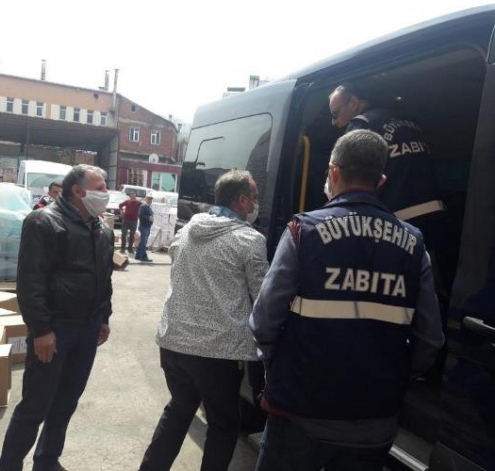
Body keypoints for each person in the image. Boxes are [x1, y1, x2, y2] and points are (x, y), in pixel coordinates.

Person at [249, 130, 444, 471]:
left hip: (299, 413)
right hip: (373, 421)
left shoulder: (303, 231)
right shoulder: (415, 245)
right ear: (381, 180)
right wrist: (391, 373)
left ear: (333, 172)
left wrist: (279, 367)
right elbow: (430, 341)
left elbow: (264, 321)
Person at [138, 170, 269, 471]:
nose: (256, 203)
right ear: (241, 200)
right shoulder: (250, 239)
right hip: (218, 353)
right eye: (254, 197)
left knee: (178, 411)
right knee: (223, 425)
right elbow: (263, 298)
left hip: (173, 344)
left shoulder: (186, 231)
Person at [0, 164, 114, 471]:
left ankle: (47, 461)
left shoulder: (102, 230)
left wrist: (104, 316)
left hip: (88, 328)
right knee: (35, 405)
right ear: (78, 191)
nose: (106, 193)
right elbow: (30, 282)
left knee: (66, 402)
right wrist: (41, 330)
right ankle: (8, 465)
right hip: (56, 328)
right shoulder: (44, 222)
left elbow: (105, 278)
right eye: (100, 188)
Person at [328, 84, 452, 290]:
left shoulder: (361, 126)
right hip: (436, 215)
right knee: (433, 284)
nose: (334, 122)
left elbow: (341, 182)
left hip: (397, 223)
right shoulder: (410, 122)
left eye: (335, 113)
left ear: (353, 103)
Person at [135, 195, 154, 262]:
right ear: (146, 199)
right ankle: (144, 257)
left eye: (151, 199)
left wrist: (151, 220)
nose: (150, 200)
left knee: (142, 242)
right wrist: (148, 218)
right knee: (144, 242)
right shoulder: (143, 206)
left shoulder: (149, 207)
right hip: (144, 226)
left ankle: (138, 255)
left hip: (147, 226)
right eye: (148, 199)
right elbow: (140, 215)